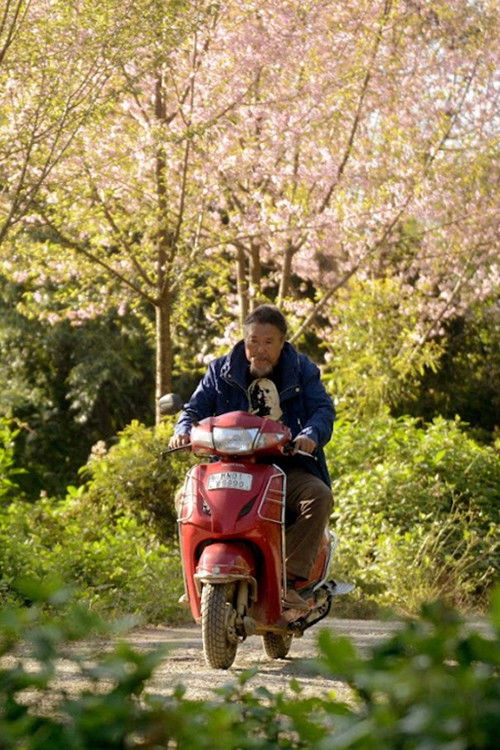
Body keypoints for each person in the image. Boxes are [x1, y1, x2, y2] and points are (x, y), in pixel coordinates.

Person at [169, 304, 335, 609]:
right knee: (186, 497)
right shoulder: (220, 370)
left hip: (286, 466)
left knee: (318, 496)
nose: (260, 350)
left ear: (283, 342)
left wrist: (310, 435)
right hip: (229, 466)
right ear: (244, 341)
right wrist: (182, 430)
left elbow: (322, 410)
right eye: (253, 341)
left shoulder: (303, 370)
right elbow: (194, 409)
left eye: (268, 342)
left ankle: (289, 580)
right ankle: (195, 576)